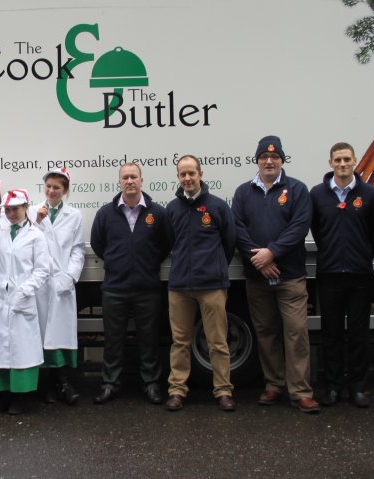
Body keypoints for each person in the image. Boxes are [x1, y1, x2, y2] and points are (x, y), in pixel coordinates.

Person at [233, 136, 319, 414]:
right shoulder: (243, 192)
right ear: (256, 161)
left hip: (290, 276)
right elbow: (237, 229)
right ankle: (273, 385)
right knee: (266, 333)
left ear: (282, 160)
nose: (269, 161)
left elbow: (299, 226)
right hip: (258, 278)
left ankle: (301, 391)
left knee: (296, 333)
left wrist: (272, 253)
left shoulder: (297, 189)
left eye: (274, 157)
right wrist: (260, 261)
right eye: (263, 157)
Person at [89, 162, 169, 405]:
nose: (130, 181)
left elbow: (166, 244)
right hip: (115, 288)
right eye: (125, 177)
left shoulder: (157, 212)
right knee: (113, 340)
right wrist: (117, 263)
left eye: (134, 177)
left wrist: (147, 263)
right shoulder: (106, 213)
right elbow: (98, 244)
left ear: (142, 180)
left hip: (147, 288)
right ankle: (110, 384)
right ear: (120, 182)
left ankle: (151, 384)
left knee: (149, 339)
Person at [309, 142, 374, 408]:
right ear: (330, 163)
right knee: (332, 334)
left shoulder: (370, 194)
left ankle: (358, 387)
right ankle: (334, 387)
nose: (342, 164)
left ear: (355, 161)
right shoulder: (317, 195)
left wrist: (360, 254)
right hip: (329, 274)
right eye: (337, 160)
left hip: (360, 274)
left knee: (360, 334)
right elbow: (316, 229)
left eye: (347, 159)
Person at [164, 155, 236, 412]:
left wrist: (214, 267)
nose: (187, 178)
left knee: (217, 342)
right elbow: (169, 242)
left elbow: (229, 242)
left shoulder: (217, 206)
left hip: (212, 286)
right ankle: (177, 390)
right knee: (180, 342)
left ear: (200, 174)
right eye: (182, 174)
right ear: (178, 178)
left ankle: (223, 391)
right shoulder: (172, 209)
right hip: (180, 286)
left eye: (191, 173)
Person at [0, 189, 50, 415]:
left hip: (22, 298)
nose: (11, 213)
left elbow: (43, 269)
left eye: (15, 208)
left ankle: (20, 397)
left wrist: (26, 289)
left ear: (26, 207)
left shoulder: (36, 235)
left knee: (21, 348)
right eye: (7, 209)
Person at [32, 167, 84, 405]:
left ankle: (63, 382)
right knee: (40, 334)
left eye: (57, 188)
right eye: (49, 186)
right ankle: (46, 386)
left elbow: (77, 249)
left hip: (61, 284)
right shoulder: (33, 212)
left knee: (59, 334)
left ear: (65, 191)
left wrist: (70, 276)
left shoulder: (74, 215)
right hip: (39, 285)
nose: (52, 191)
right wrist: (37, 221)